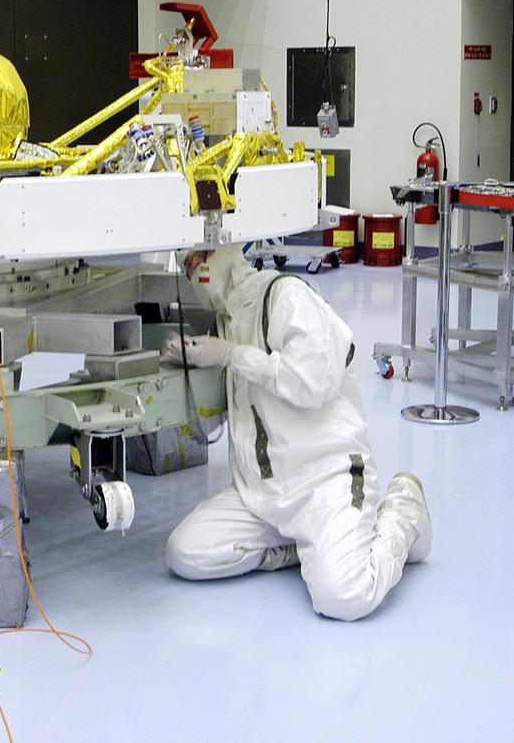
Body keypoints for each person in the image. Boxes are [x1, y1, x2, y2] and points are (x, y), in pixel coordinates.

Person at [162, 245, 431, 621]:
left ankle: (404, 509)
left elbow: (313, 383)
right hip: (262, 496)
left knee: (344, 597)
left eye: (202, 258)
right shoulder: (223, 322)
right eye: (188, 265)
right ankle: (305, 548)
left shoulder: (285, 296)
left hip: (325, 480)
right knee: (186, 552)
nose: (197, 272)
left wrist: (230, 355)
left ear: (228, 248)